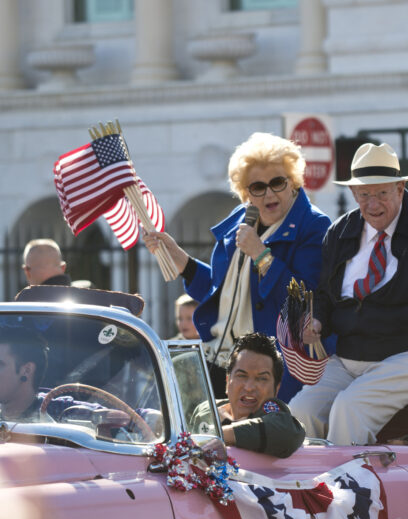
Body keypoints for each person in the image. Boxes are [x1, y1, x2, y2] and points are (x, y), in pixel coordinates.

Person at [290, 142, 408, 446]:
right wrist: (316, 320)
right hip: (351, 355)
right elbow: (324, 294)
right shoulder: (339, 232)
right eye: (364, 194)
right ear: (353, 194)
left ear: (400, 188)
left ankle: (348, 491)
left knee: (349, 410)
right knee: (300, 411)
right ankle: (305, 489)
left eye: (381, 193)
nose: (372, 203)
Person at [142, 132, 332, 402]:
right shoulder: (240, 220)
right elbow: (220, 292)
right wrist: (178, 257)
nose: (269, 193)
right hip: (222, 357)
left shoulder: (313, 225)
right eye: (257, 187)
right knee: (166, 410)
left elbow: (303, 304)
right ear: (246, 194)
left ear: (293, 183)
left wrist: (261, 255)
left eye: (277, 182)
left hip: (269, 369)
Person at [192, 333, 305, 459]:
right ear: (227, 381)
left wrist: (218, 434)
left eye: (262, 378)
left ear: (276, 389)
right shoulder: (205, 411)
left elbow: (287, 433)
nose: (249, 387)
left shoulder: (273, 414)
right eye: (241, 375)